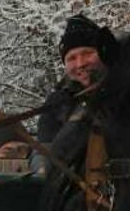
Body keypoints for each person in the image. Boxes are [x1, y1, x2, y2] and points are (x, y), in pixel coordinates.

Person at [32, 14, 110, 177]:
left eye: (87, 53)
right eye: (72, 58)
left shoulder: (126, 92)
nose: (80, 63)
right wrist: (42, 169)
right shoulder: (57, 102)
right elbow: (43, 149)